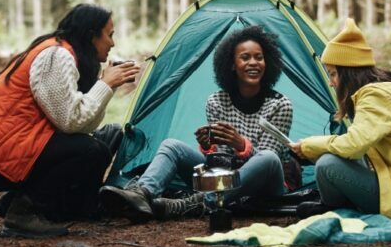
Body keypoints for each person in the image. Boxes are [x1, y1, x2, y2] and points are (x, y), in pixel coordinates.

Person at [0, 4, 140, 237]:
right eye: (110, 35)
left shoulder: (64, 53)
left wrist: (106, 86)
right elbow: (71, 122)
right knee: (91, 150)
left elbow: (85, 125)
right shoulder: (57, 56)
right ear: (91, 35)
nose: (112, 43)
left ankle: (20, 202)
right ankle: (23, 212)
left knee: (106, 137)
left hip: (12, 146)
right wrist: (105, 85)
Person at [99, 25, 293, 223]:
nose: (254, 63)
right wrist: (208, 148)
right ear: (232, 64)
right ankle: (142, 193)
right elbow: (222, 164)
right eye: (245, 57)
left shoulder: (280, 105)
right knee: (171, 146)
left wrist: (241, 145)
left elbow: (270, 163)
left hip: (267, 185)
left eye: (259, 58)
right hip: (227, 180)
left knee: (268, 158)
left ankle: (195, 204)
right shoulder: (217, 102)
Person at [289, 19, 391, 219]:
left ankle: (334, 208)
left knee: (327, 165)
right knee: (339, 155)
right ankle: (336, 205)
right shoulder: (380, 93)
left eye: (333, 74)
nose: (332, 84)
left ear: (348, 72)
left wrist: (309, 145)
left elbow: (353, 145)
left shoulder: (375, 99)